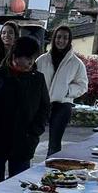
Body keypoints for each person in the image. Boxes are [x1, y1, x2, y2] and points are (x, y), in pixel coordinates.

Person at [0, 35, 49, 186]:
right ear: (15, 56)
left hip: (24, 140)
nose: (30, 62)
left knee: (19, 183)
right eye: (27, 58)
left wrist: (34, 132)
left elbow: (44, 108)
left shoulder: (37, 78)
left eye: (33, 58)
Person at [36, 25, 88, 156]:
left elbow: (82, 85)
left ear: (69, 40)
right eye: (59, 37)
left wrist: (67, 91)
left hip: (62, 105)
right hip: (42, 104)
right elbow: (32, 79)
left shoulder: (76, 63)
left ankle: (52, 170)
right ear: (54, 39)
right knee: (32, 136)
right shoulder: (42, 60)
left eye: (65, 38)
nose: (61, 40)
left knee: (54, 143)